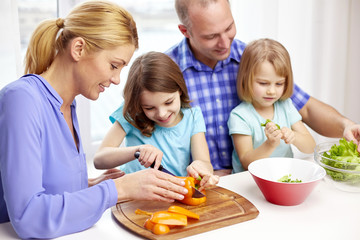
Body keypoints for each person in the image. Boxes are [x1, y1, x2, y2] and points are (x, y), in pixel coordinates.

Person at [0, 1, 189, 239]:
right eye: (113, 65)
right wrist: (117, 190)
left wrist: (91, 185)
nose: (118, 79)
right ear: (78, 49)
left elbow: (48, 185)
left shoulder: (68, 105)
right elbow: (28, 216)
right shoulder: (21, 99)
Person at [166, 0, 360, 176]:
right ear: (185, 31)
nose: (225, 43)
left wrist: (346, 126)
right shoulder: (166, 71)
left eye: (229, 27)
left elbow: (305, 107)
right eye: (211, 36)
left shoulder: (253, 59)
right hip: (198, 182)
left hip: (255, 179)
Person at [94, 51, 219, 188]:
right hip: (134, 195)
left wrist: (201, 166)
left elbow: (205, 163)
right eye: (149, 108)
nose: (162, 114)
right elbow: (99, 159)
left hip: (173, 194)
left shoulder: (193, 117)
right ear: (139, 105)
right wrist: (137, 151)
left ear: (180, 90)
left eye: (168, 102)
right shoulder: (131, 114)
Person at [227, 39, 316, 172]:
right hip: (248, 181)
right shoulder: (240, 116)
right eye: (263, 83)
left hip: (283, 177)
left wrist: (294, 137)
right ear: (246, 79)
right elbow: (246, 161)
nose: (272, 91)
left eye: (279, 84)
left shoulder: (285, 106)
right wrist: (270, 144)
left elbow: (311, 147)